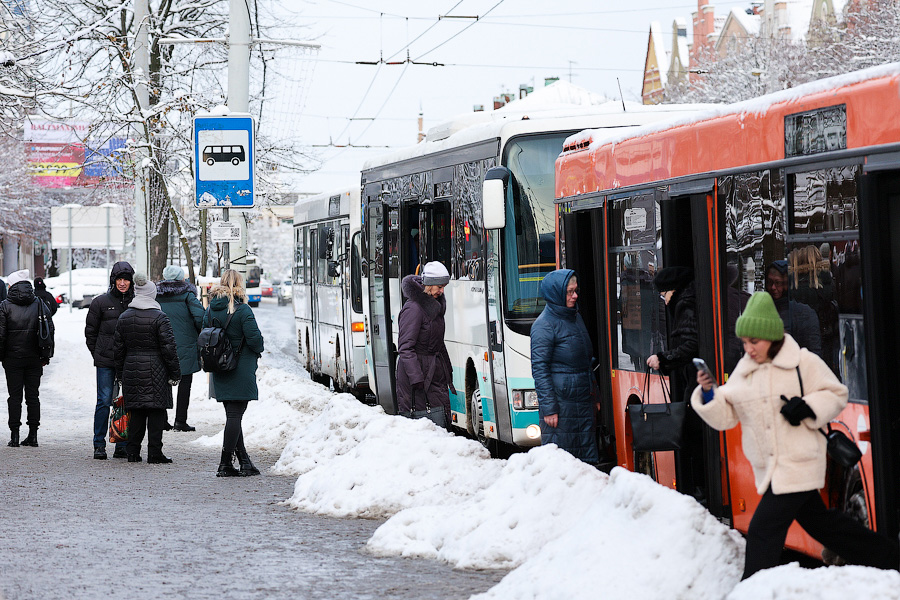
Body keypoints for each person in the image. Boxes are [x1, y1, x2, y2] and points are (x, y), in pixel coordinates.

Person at [693, 291, 899, 579]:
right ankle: (888, 558)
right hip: (772, 467)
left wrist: (807, 408)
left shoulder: (803, 362)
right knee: (823, 525)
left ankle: (752, 588)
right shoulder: (745, 370)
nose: (748, 348)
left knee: (764, 530)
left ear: (772, 338)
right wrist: (708, 393)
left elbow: (837, 394)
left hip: (799, 462)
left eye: (754, 341)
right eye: (744, 342)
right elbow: (727, 416)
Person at [646, 266, 705, 500]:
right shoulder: (687, 299)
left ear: (672, 290)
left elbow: (691, 345)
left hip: (696, 380)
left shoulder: (685, 304)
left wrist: (663, 358)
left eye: (663, 294)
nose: (663, 299)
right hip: (691, 378)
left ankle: (699, 489)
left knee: (693, 435)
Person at [531, 269, 601, 464]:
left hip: (582, 403)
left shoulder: (575, 317)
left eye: (576, 290)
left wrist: (594, 394)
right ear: (556, 294)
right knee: (563, 464)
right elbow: (539, 369)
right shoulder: (543, 326)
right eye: (570, 292)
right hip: (562, 408)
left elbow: (586, 362)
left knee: (586, 461)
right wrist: (549, 409)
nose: (575, 296)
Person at [113, 273, 181, 463]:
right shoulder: (160, 317)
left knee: (136, 411)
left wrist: (120, 374)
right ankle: (154, 453)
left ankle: (133, 452)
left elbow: (118, 350)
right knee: (156, 411)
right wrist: (175, 373)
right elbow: (169, 348)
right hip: (156, 370)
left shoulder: (124, 317)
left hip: (131, 369)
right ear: (152, 295)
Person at [204, 269, 264, 477]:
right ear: (240, 284)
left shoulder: (211, 309)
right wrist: (258, 349)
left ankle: (245, 462)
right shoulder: (243, 310)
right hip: (240, 367)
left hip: (219, 367)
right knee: (235, 415)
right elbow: (255, 340)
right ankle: (225, 463)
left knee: (232, 416)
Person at [85, 261, 134, 460]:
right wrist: (98, 353)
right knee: (104, 402)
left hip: (129, 361)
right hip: (106, 361)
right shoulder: (100, 302)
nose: (122, 283)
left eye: (126, 280)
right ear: (113, 281)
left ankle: (121, 443)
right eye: (119, 279)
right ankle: (99, 444)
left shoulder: (136, 302)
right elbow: (90, 332)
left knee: (126, 403)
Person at [396, 261, 454, 425]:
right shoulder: (413, 308)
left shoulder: (434, 307)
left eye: (444, 287)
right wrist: (416, 379)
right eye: (439, 287)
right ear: (429, 285)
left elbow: (438, 343)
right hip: (418, 377)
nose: (442, 291)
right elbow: (405, 348)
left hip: (432, 371)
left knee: (439, 418)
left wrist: (447, 371)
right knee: (425, 422)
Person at [0, 270, 54, 447]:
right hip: (34, 358)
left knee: (14, 397)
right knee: (33, 396)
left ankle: (14, 436)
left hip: (12, 359)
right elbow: (49, 330)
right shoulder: (38, 303)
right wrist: (45, 355)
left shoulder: (4, 306)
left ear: (12, 286)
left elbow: (1, 336)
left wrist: (2, 357)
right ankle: (33, 435)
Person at [156, 265, 204, 432]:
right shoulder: (187, 295)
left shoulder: (156, 295)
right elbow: (200, 318)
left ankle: (162, 420)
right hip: (185, 345)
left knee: (162, 382)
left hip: (162, 345)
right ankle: (180, 421)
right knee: (185, 383)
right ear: (181, 278)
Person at [765, 260, 822, 358]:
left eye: (778, 283)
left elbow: (814, 354)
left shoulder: (804, 313)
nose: (773, 287)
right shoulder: (763, 311)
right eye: (770, 282)